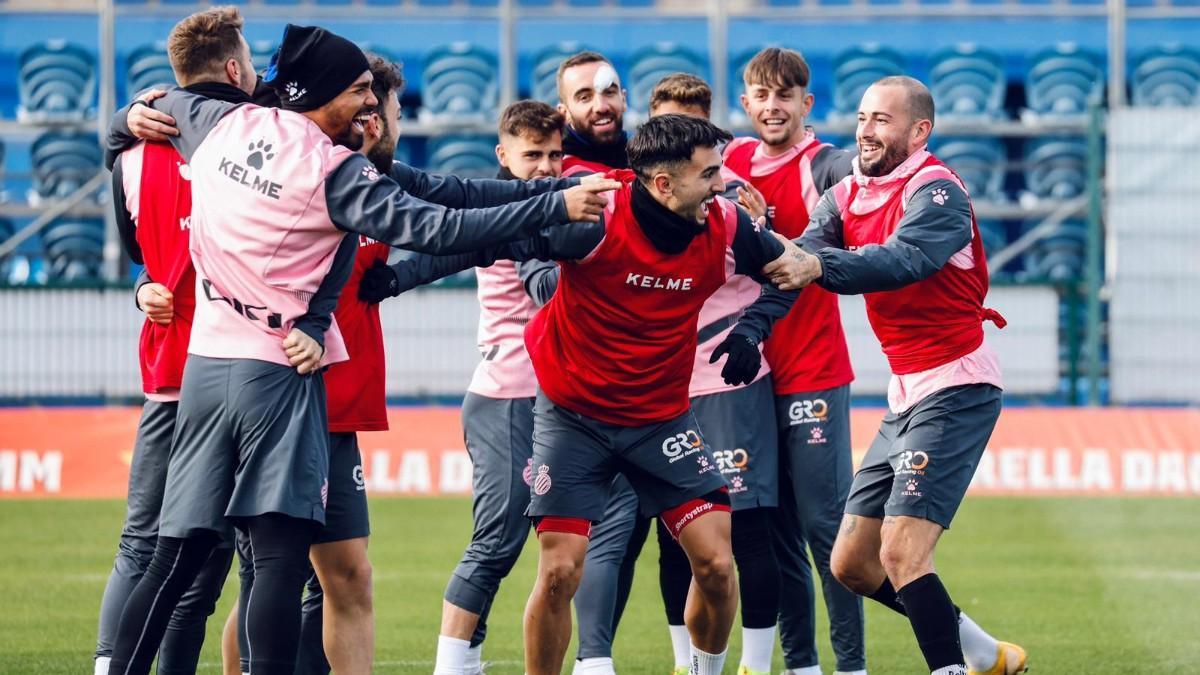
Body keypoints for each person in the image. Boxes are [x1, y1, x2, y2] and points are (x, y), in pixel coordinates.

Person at [100, 23, 617, 675]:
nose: (371, 105)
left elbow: (167, 103)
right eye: (360, 91)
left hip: (206, 367)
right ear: (322, 95)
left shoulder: (218, 125)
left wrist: (124, 117)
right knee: (279, 562)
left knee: (175, 556)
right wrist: (559, 203)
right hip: (279, 379)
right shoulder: (331, 171)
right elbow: (439, 225)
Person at [390, 113, 801, 675]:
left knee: (716, 565)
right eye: (708, 175)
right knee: (559, 571)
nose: (721, 184)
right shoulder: (593, 216)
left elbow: (793, 269)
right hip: (572, 418)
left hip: (661, 420)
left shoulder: (728, 224)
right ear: (663, 184)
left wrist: (754, 329)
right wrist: (397, 277)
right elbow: (483, 225)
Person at [764, 76, 1027, 675]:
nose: (866, 130)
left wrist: (815, 263)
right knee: (852, 563)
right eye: (861, 117)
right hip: (907, 391)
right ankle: (984, 654)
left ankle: (951, 668)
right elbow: (798, 260)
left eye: (882, 119)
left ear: (919, 131)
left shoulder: (938, 191)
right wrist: (751, 327)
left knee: (904, 552)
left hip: (956, 381)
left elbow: (902, 261)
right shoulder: (847, 194)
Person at [93, 8, 255, 674]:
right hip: (237, 372)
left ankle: (112, 665)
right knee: (223, 548)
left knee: (145, 542)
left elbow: (138, 251)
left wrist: (117, 123)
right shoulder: (259, 140)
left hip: (167, 374)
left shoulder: (130, 153)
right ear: (234, 68)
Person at [721, 47, 864, 675]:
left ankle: (852, 666)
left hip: (811, 370)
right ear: (746, 102)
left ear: (808, 104)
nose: (773, 106)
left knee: (828, 533)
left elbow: (854, 178)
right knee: (771, 536)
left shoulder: (825, 165)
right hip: (743, 377)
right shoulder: (728, 162)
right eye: (762, 94)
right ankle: (801, 665)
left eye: (787, 95)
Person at [644, 72, 786, 675]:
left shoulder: (731, 202)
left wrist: (751, 332)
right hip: (660, 391)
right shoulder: (631, 201)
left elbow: (788, 270)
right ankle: (688, 664)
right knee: (675, 536)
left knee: (747, 530)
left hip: (729, 384)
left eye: (699, 120)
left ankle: (754, 664)